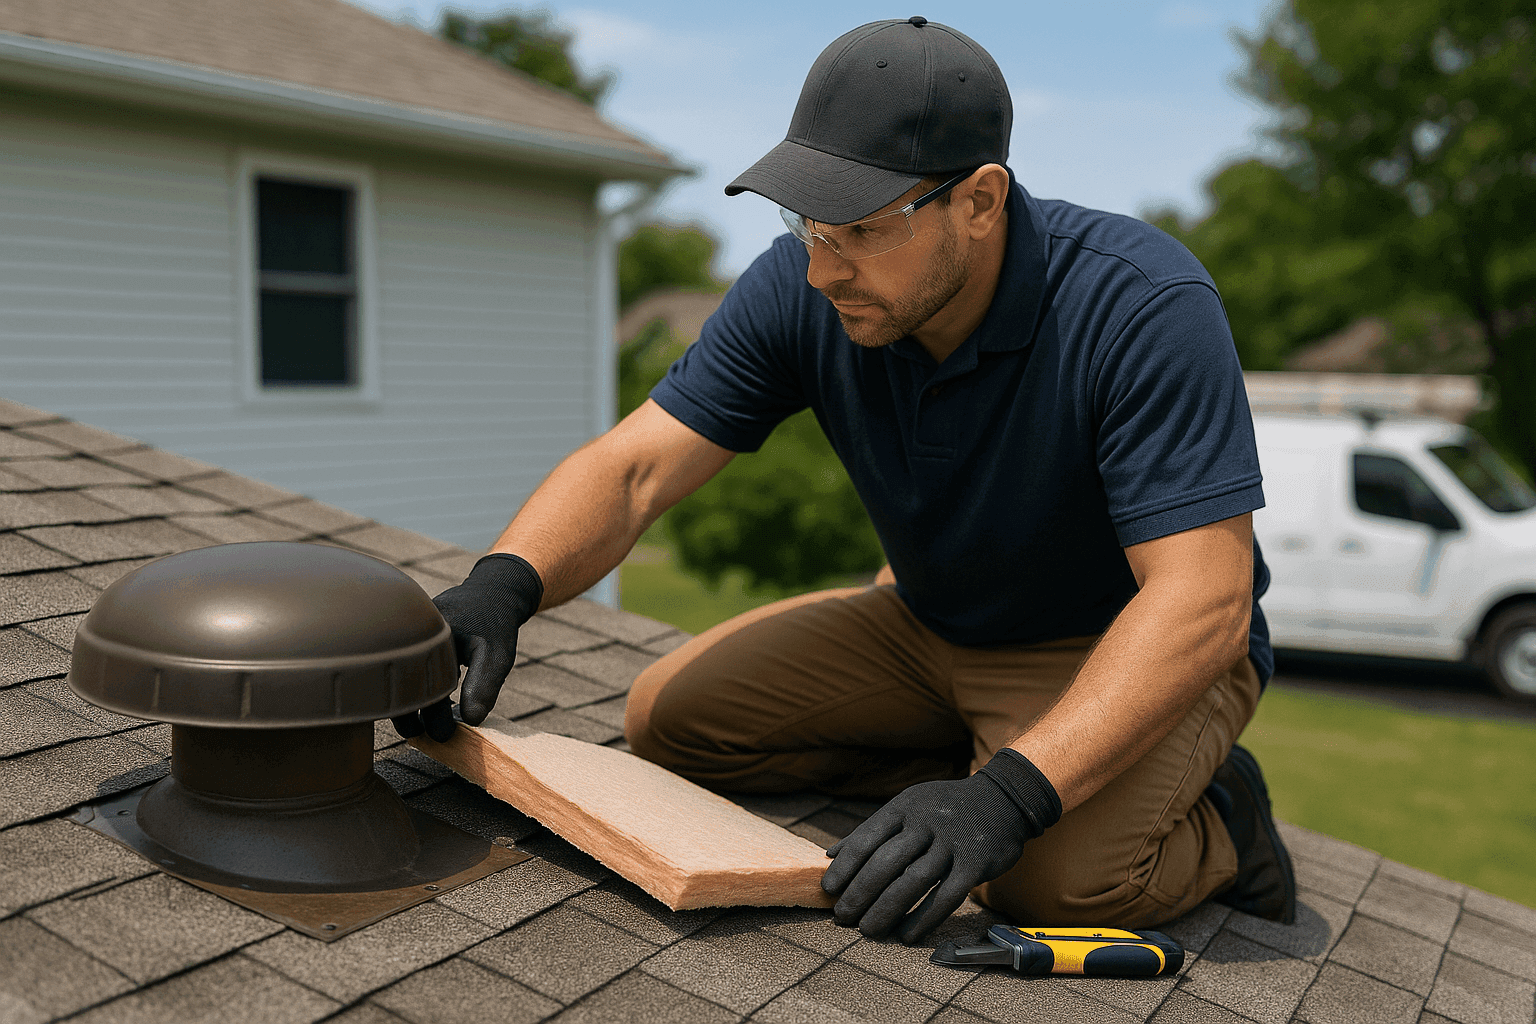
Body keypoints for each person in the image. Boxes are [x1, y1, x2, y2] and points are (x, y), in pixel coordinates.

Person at [396, 16, 1296, 943]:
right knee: (670, 722)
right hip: (924, 622)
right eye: (809, 222)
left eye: (863, 229)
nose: (823, 269)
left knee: (1049, 884)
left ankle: (1228, 818)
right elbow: (634, 470)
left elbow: (1203, 599)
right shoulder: (801, 287)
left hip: (1112, 648)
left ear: (981, 201)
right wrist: (503, 583)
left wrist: (1005, 798)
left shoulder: (1141, 306)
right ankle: (974, 749)